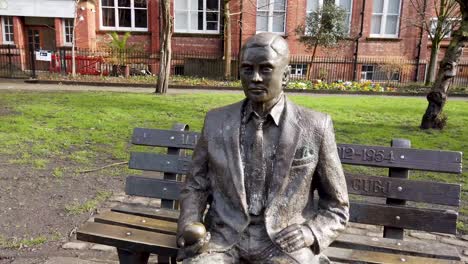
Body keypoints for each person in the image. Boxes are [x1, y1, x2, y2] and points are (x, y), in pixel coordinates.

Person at [177, 32, 349, 264]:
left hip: (283, 242)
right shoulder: (216, 121)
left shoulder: (316, 126)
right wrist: (189, 226)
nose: (255, 78)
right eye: (247, 69)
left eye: (266, 69)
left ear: (286, 75)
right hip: (223, 237)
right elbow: (195, 186)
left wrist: (311, 232)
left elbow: (337, 206)